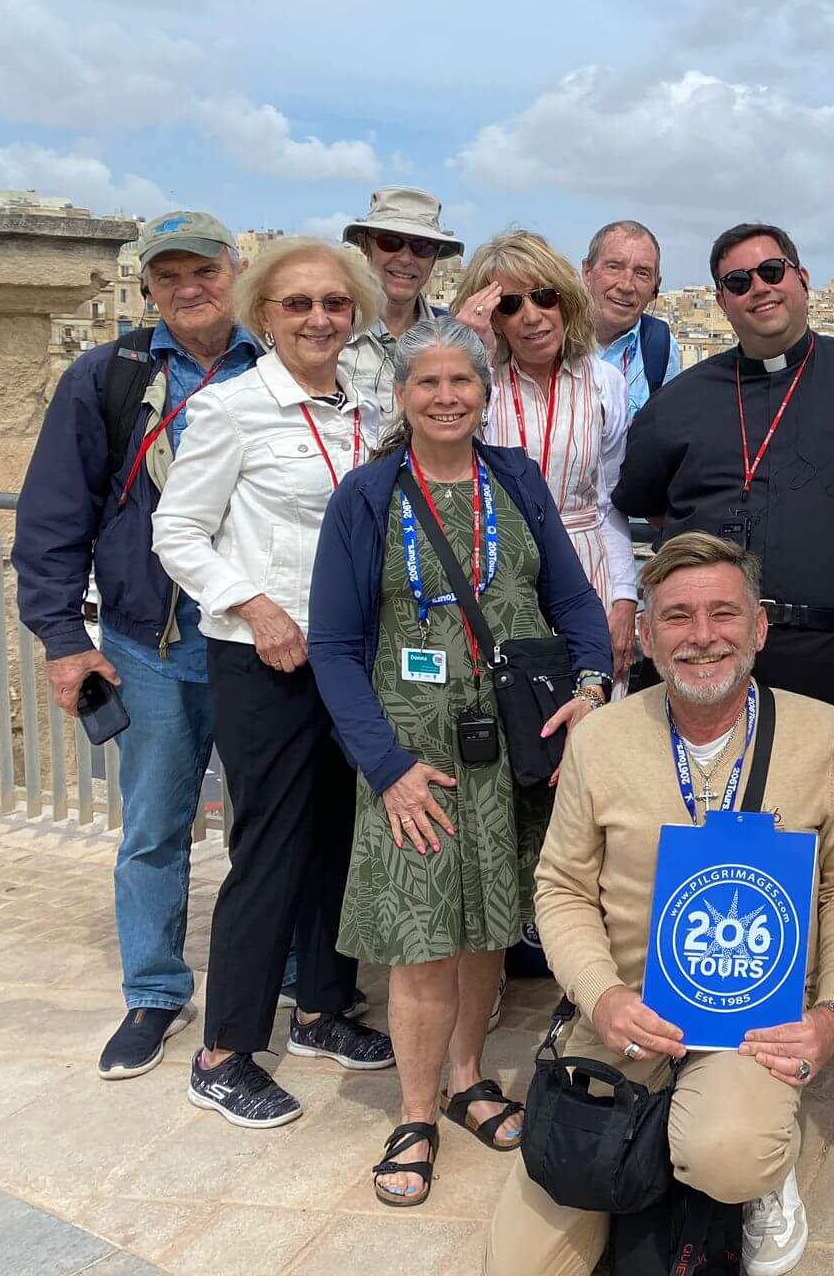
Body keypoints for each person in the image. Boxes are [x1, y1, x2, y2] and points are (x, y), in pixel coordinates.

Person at [483, 532, 834, 1276]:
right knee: (519, 1267)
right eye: (677, 617)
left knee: (727, 1153)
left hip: (755, 1026)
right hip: (629, 1017)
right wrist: (601, 998)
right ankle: (656, 1153)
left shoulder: (823, 734)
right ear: (645, 635)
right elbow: (562, 887)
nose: (702, 636)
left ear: (759, 627)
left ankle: (756, 1169)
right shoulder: (601, 739)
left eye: (724, 613)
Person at [308, 315, 615, 1207]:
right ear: (401, 396)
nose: (446, 397)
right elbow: (333, 646)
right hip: (412, 756)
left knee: (488, 927)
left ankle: (468, 1078)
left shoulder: (514, 479)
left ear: (485, 392)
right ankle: (414, 1115)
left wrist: (591, 687)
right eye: (427, 382)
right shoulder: (367, 497)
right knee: (422, 941)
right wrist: (385, 767)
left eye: (462, 381)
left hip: (511, 745)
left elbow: (573, 601)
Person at [12, 211, 264, 1081]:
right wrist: (61, 638)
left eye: (204, 271)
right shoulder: (108, 375)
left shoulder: (275, 365)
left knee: (270, 819)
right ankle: (155, 990)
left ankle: (280, 976)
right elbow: (55, 512)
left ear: (236, 271)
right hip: (150, 641)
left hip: (258, 637)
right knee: (156, 824)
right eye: (168, 276)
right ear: (149, 287)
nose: (189, 289)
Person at [151, 236, 396, 1128]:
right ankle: (224, 1052)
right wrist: (254, 607)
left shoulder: (367, 411)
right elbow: (177, 532)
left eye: (334, 303)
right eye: (298, 304)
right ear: (263, 314)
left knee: (338, 839)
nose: (318, 318)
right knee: (269, 851)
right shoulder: (231, 408)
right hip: (267, 660)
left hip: (349, 660)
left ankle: (322, 1010)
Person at [616, 222, 834, 827]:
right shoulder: (678, 402)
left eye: (772, 272)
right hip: (719, 660)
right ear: (722, 301)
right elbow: (647, 505)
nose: (760, 288)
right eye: (739, 282)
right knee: (714, 843)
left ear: (802, 279)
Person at [452, 230, 638, 685]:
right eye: (510, 305)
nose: (532, 316)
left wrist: (624, 598)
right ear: (493, 319)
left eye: (544, 297)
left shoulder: (604, 383)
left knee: (590, 710)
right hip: (496, 574)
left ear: (566, 300)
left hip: (586, 571)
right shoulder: (475, 385)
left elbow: (609, 501)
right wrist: (467, 358)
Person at [339, 187, 465, 425]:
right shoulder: (329, 332)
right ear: (365, 245)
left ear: (434, 258)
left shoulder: (456, 337)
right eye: (390, 243)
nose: (406, 259)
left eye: (422, 247)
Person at [584, 219, 682, 413]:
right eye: (614, 267)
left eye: (642, 273)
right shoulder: (555, 337)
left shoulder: (661, 347)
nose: (626, 285)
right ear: (587, 273)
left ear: (655, 287)